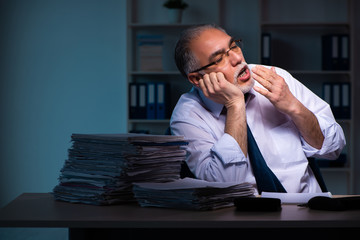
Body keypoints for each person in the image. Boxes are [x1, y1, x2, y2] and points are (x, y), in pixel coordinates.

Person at [170, 24, 346, 194]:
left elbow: (334, 149)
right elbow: (225, 184)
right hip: (244, 219)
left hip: (306, 208)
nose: (237, 58)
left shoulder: (273, 77)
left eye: (234, 46)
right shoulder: (187, 116)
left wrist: (294, 107)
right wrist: (235, 105)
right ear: (196, 78)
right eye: (219, 59)